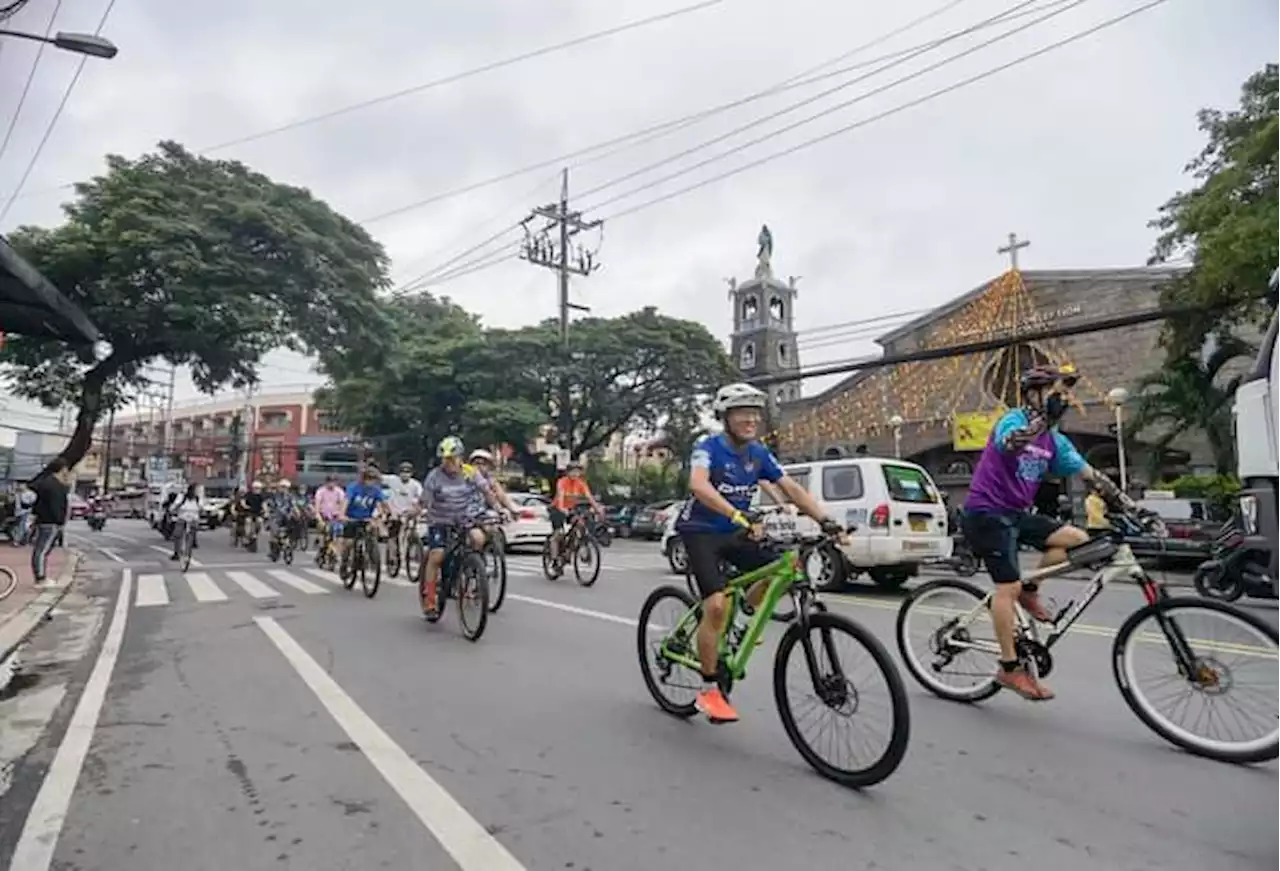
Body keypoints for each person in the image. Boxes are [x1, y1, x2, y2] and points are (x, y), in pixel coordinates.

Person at [961, 363, 1133, 701]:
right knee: (1005, 588)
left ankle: (1031, 588)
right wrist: (1044, 421)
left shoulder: (1055, 442)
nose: (1062, 398)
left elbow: (1091, 475)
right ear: (1033, 394)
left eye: (1064, 393)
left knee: (1076, 540)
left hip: (1015, 514)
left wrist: (1129, 506)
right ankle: (1009, 669)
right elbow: (1010, 445)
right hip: (985, 513)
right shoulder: (1013, 421)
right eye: (1055, 391)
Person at [677, 382, 842, 724]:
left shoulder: (759, 454)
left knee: (779, 570)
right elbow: (698, 484)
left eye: (755, 413)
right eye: (742, 413)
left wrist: (826, 521)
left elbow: (792, 488)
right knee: (716, 605)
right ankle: (709, 690)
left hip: (738, 531)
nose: (751, 419)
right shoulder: (708, 447)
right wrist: (734, 513)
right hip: (701, 533)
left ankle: (741, 625)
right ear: (725, 417)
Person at [419, 437, 499, 615]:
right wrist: (417, 510)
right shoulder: (435, 476)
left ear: (460, 457)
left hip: (463, 519)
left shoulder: (470, 472)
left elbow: (487, 492)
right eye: (445, 459)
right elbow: (424, 500)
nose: (449, 463)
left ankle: (471, 571)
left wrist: (498, 509)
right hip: (439, 521)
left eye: (452, 458)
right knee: (437, 555)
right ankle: (430, 598)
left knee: (477, 538)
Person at [340, 464, 388, 578]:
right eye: (368, 479)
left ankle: (372, 556)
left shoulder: (376, 490)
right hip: (352, 517)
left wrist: (388, 514)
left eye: (373, 480)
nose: (371, 482)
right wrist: (342, 514)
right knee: (348, 543)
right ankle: (344, 563)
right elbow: (346, 501)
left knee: (372, 532)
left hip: (367, 518)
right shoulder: (353, 487)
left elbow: (384, 504)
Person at [548, 461, 602, 562]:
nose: (575, 474)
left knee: (580, 525)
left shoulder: (581, 483)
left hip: (571, 509)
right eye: (572, 471)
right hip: (557, 508)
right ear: (567, 472)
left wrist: (597, 509)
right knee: (558, 534)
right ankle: (554, 559)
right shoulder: (562, 481)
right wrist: (561, 508)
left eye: (577, 472)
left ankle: (572, 550)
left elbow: (589, 497)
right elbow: (560, 496)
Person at [29, 460, 72, 585]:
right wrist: (60, 521)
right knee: (42, 550)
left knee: (41, 549)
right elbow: (56, 506)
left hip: (44, 520)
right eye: (65, 469)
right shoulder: (54, 485)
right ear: (61, 469)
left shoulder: (46, 483)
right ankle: (41, 578)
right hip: (50, 522)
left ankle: (40, 576)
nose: (67, 472)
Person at [384, 462, 424, 560]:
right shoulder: (393, 480)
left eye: (407, 472)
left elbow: (422, 498)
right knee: (393, 533)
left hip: (408, 512)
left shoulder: (415, 485)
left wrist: (418, 508)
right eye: (402, 472)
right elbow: (378, 477)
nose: (405, 474)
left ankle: (413, 548)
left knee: (415, 528)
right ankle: (392, 554)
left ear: (411, 473)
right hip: (395, 512)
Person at [313, 475, 347, 551]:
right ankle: (321, 544)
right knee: (323, 529)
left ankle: (336, 550)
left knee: (339, 532)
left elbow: (343, 504)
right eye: (329, 482)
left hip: (335, 516)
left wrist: (342, 514)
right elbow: (317, 504)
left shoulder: (339, 491)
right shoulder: (320, 491)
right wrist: (317, 514)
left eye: (333, 482)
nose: (331, 484)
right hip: (324, 516)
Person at [170, 484, 203, 559]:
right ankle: (176, 553)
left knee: (192, 530)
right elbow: (176, 504)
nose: (195, 493)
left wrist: (200, 513)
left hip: (193, 518)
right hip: (183, 517)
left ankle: (191, 544)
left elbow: (201, 507)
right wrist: (172, 510)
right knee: (177, 535)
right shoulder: (182, 497)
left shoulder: (198, 498)